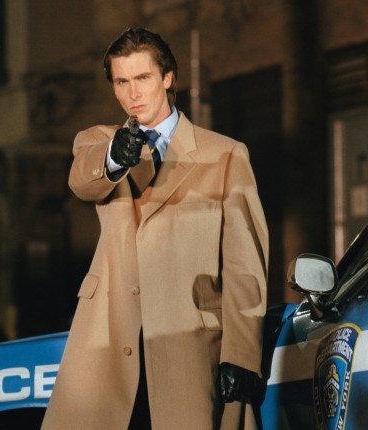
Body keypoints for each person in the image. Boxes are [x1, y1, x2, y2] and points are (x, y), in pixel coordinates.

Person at [41, 27, 269, 430]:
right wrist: (115, 157)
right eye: (121, 82)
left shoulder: (225, 154)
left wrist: (242, 354)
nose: (133, 93)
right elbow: (82, 180)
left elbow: (244, 266)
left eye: (143, 78)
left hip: (188, 343)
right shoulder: (98, 142)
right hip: (110, 341)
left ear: (167, 77)